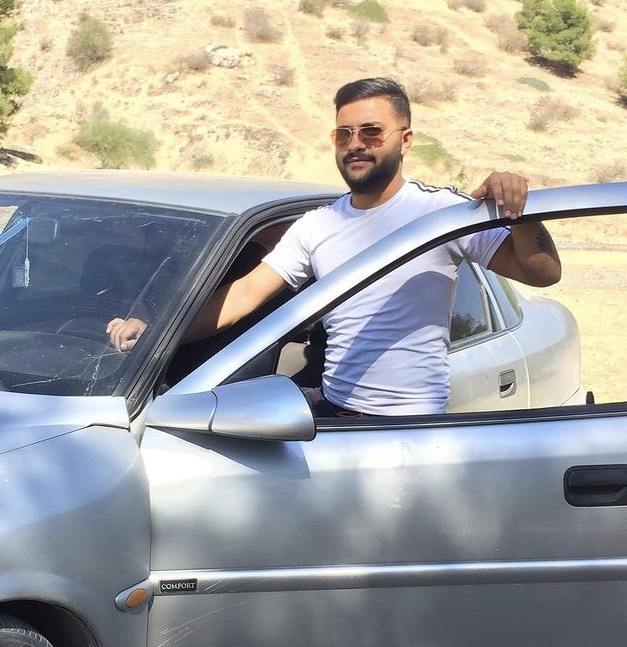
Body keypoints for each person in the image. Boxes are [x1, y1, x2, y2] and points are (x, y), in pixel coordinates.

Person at [107, 77, 561, 416]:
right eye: (343, 134)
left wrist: (520, 213)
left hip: (411, 424)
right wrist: (158, 329)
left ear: (405, 140)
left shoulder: (441, 213)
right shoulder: (317, 226)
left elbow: (542, 272)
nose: (355, 144)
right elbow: (242, 296)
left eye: (371, 132)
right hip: (334, 412)